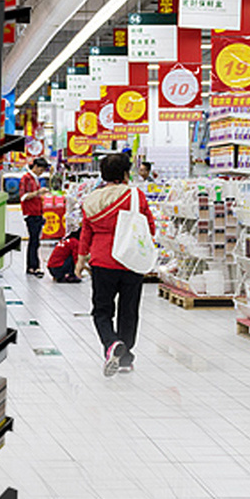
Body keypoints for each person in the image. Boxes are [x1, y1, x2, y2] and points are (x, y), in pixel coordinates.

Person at [76, 152, 156, 376]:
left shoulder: (92, 200)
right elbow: (149, 226)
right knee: (128, 310)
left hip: (102, 261)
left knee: (102, 311)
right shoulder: (135, 195)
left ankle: (111, 343)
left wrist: (81, 259)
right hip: (131, 260)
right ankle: (125, 357)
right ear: (125, 173)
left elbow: (86, 232)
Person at [19, 157, 49, 278]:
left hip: (37, 213)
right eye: (41, 170)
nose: (41, 172)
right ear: (35, 167)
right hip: (31, 214)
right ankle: (33, 267)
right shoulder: (26, 178)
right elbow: (23, 197)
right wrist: (38, 192)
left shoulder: (35, 179)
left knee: (35, 241)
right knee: (34, 241)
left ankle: (33, 266)